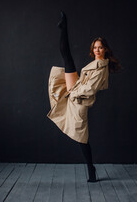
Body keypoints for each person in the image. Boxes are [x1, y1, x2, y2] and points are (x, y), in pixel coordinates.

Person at [47, 11, 121, 182]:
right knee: (67, 58)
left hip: (79, 100)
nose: (97, 50)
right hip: (76, 88)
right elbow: (85, 84)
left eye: (100, 47)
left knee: (82, 138)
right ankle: (63, 27)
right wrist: (74, 90)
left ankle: (91, 170)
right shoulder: (97, 62)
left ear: (105, 49)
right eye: (95, 47)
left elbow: (90, 89)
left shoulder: (102, 68)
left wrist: (73, 93)